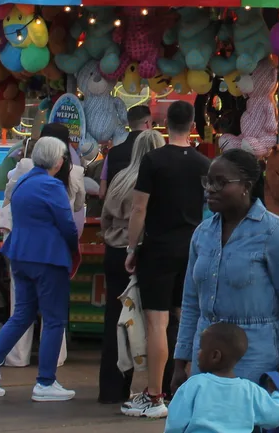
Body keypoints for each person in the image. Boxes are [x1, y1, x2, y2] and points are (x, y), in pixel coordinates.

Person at [171, 149, 279, 402]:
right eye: (208, 181)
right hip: (206, 359)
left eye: (220, 182)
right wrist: (181, 362)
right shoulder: (202, 234)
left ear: (247, 186)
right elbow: (191, 302)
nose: (209, 189)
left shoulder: (276, 233)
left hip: (256, 360)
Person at [0, 137, 80, 402]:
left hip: (20, 254)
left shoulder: (23, 182)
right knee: (54, 320)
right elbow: (67, 224)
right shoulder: (52, 186)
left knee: (21, 315)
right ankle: (45, 382)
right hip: (48, 257)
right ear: (58, 160)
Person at [123, 100, 212, 419]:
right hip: (193, 249)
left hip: (158, 249)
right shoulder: (204, 163)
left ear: (164, 123)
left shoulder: (153, 161)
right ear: (191, 124)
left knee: (157, 323)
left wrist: (132, 248)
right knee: (186, 319)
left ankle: (155, 395)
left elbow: (138, 209)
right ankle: (183, 389)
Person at [99, 129, 165, 404]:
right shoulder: (159, 181)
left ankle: (112, 389)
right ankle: (160, 387)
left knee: (115, 322)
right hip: (144, 253)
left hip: (114, 251)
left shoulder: (119, 179)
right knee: (158, 322)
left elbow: (104, 217)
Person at [164, 323, 279, 433]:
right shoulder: (250, 390)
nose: (198, 352)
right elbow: (276, 416)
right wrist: (276, 393)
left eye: (201, 348)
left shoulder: (194, 385)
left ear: (215, 356)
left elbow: (175, 423)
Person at [99, 105, 152, 200]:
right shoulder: (154, 152)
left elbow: (102, 192)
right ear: (147, 123)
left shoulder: (112, 153)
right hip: (144, 210)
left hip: (116, 210)